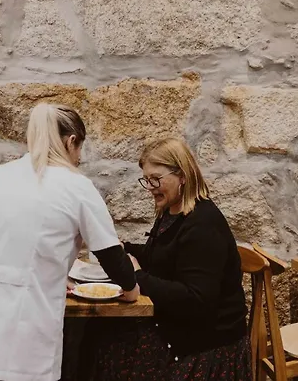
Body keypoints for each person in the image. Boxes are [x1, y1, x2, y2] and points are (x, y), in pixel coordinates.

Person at [0, 103, 139, 381]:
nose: (78, 158)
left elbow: (2, 244)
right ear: (71, 142)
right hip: (15, 336)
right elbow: (111, 255)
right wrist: (131, 288)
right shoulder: (76, 185)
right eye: (79, 149)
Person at [80, 137, 251, 380]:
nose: (150, 187)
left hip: (203, 343)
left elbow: (196, 300)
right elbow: (162, 255)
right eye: (146, 180)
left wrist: (138, 277)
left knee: (108, 347)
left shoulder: (203, 224)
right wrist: (122, 249)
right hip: (179, 327)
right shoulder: (172, 211)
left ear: (182, 175)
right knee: (98, 331)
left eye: (156, 179)